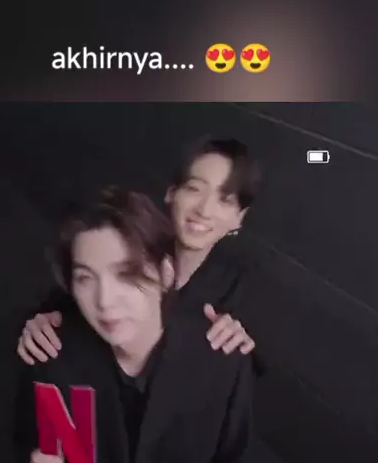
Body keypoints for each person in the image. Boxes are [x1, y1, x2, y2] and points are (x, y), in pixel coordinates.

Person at [20, 187, 253, 463]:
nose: (105, 301)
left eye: (126, 274)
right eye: (85, 278)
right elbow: (28, 440)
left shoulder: (222, 359)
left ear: (166, 273)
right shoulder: (53, 356)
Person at [17, 138, 261, 367]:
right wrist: (39, 325)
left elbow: (244, 367)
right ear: (171, 193)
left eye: (225, 200)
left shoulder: (234, 284)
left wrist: (239, 341)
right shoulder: (126, 241)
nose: (204, 210)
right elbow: (57, 308)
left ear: (239, 218)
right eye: (194, 189)